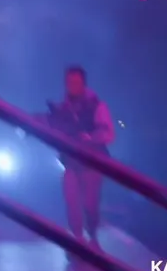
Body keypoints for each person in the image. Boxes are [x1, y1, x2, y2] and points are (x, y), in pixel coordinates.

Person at [46, 65, 115, 252]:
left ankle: (93, 237)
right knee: (71, 200)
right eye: (69, 82)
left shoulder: (97, 106)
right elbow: (55, 128)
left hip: (92, 162)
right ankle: (77, 239)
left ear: (83, 83)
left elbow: (108, 132)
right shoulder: (63, 108)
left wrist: (91, 138)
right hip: (70, 162)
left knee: (90, 203)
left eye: (76, 82)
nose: (72, 85)